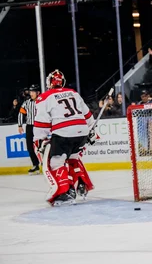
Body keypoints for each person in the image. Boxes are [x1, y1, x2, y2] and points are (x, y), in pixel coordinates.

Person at [33, 69, 97, 206]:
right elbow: (88, 115)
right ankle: (81, 183)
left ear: (49, 82)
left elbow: (41, 121)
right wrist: (92, 131)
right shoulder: (73, 93)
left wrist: (39, 139)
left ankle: (65, 192)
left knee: (56, 162)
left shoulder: (44, 97)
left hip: (63, 132)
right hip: (82, 131)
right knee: (73, 158)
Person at [18, 84, 41, 175]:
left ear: (38, 93)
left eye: (33, 92)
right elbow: (21, 113)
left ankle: (46, 164)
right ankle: (35, 165)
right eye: (30, 91)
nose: (31, 93)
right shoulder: (27, 102)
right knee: (29, 147)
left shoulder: (42, 101)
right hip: (30, 126)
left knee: (42, 146)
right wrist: (20, 125)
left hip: (40, 126)